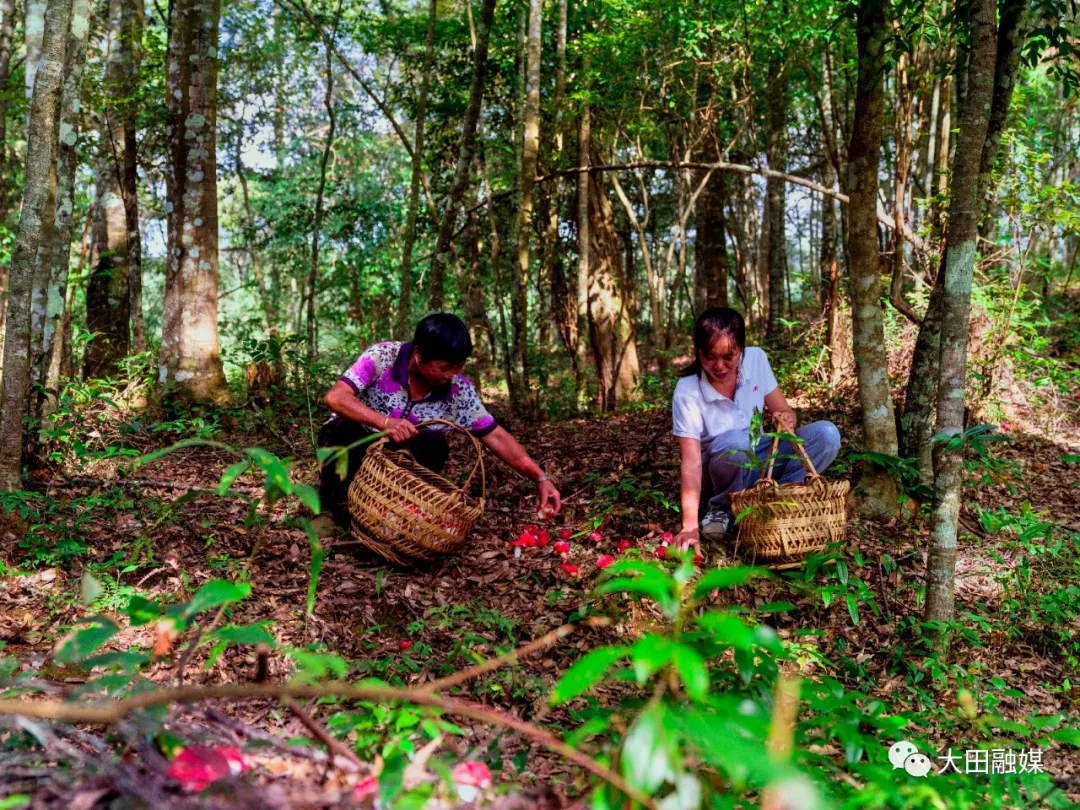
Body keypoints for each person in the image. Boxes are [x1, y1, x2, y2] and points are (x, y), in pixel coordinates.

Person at [319, 313, 561, 526]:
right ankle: (332, 509)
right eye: (443, 367)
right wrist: (383, 422)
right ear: (418, 355)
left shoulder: (458, 389)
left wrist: (540, 477)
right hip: (358, 443)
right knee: (343, 430)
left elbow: (495, 435)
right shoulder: (382, 357)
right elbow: (335, 397)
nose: (451, 375)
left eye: (459, 366)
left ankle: (393, 509)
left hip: (396, 461)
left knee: (434, 443)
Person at [671, 307, 841, 553]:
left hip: (758, 460)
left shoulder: (756, 360)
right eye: (710, 357)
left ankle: (775, 496)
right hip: (719, 470)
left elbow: (785, 412)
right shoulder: (687, 390)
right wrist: (689, 526)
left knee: (827, 435)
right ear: (698, 352)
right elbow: (691, 463)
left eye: (728, 357)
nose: (719, 366)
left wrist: (785, 419)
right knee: (735, 443)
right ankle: (721, 507)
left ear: (741, 349)